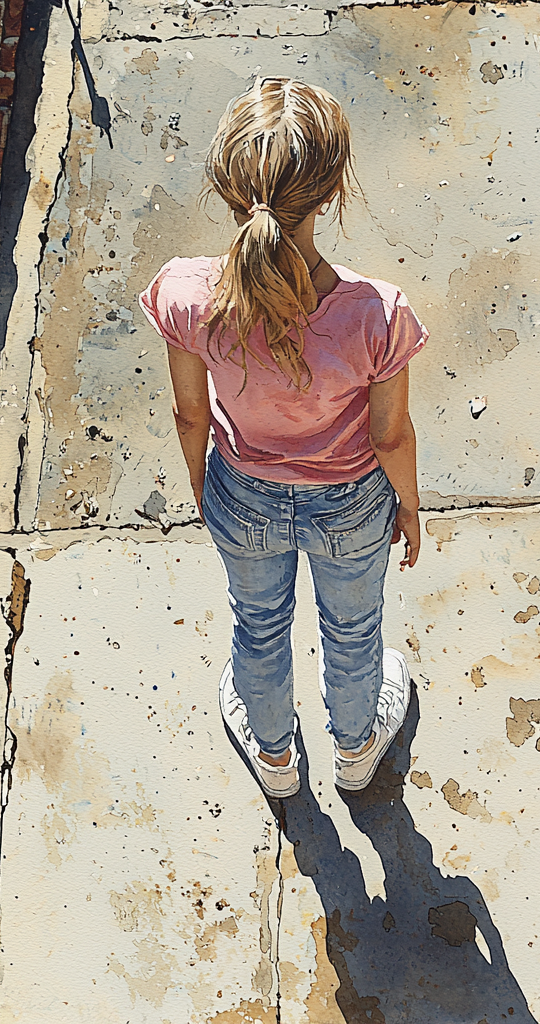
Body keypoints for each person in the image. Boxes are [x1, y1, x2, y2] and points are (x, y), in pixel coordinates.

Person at [140, 78, 426, 798]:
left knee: (258, 629)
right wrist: (410, 506)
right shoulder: (377, 314)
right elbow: (390, 436)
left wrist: (208, 489)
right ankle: (357, 750)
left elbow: (190, 414)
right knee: (355, 635)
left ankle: (275, 762)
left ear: (228, 189)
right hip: (351, 503)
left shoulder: (186, 293)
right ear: (330, 194)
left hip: (245, 492)